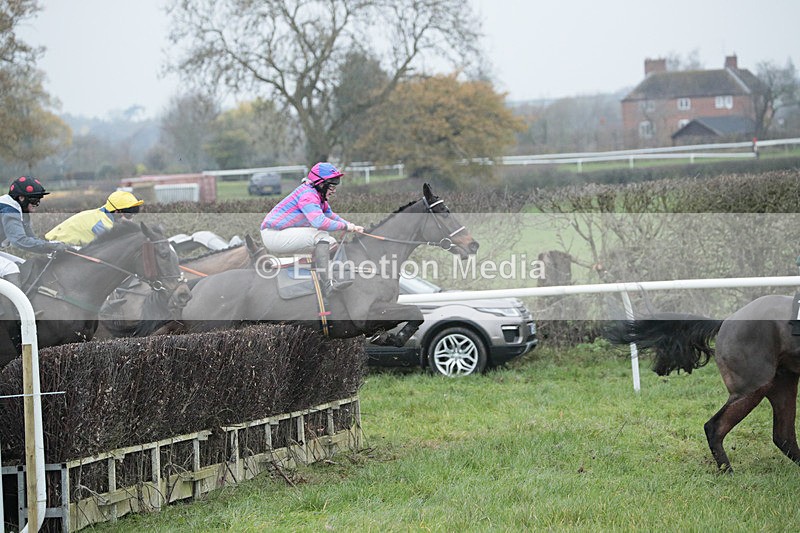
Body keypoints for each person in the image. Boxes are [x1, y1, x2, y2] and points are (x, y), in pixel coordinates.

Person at [260, 162, 364, 294]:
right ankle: (327, 284)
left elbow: (330, 215)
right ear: (321, 184)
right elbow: (319, 222)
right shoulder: (308, 195)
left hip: (282, 233)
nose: (334, 190)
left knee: (331, 242)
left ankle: (318, 277)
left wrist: (352, 226)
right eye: (331, 186)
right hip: (274, 235)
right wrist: (345, 226)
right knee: (321, 235)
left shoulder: (317, 195)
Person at [0, 176, 70, 313]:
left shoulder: (20, 209)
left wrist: (51, 248)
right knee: (10, 268)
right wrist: (51, 247)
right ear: (21, 198)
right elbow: (20, 241)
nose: (37, 203)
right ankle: (17, 314)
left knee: (22, 265)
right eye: (34, 199)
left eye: (38, 199)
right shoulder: (9, 209)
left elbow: (31, 238)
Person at [45, 190, 144, 246]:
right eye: (129, 215)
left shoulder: (102, 214)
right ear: (117, 212)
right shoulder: (102, 224)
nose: (131, 219)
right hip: (59, 246)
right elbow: (114, 245)